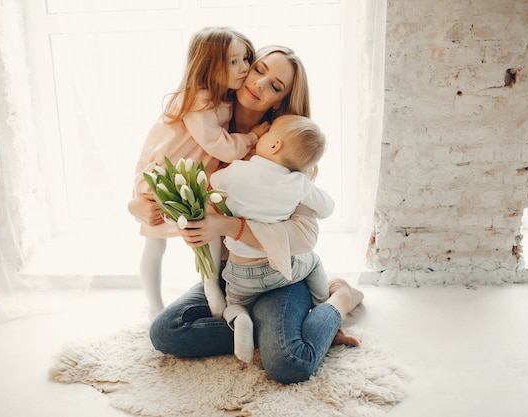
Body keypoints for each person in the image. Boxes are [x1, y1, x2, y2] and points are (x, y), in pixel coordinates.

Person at [128, 45, 364, 384]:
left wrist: (226, 225)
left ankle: (340, 298)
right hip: (232, 275)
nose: (260, 83)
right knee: (167, 333)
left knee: (288, 364)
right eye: (259, 69)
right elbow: (157, 180)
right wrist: (138, 206)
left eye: (276, 86)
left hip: (281, 270)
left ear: (279, 102)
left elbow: (305, 236)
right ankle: (266, 325)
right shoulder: (204, 128)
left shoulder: (288, 147)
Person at [132, 27, 269, 320]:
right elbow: (220, 146)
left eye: (245, 58)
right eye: (233, 62)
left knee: (208, 233)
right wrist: (253, 137)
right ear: (208, 65)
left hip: (194, 182)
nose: (244, 67)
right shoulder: (198, 100)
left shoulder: (225, 99)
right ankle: (155, 305)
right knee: (155, 244)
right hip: (166, 179)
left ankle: (212, 289)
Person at [208, 114, 335, 362]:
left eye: (267, 134)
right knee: (314, 261)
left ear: (274, 144)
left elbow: (213, 182)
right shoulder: (297, 181)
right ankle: (322, 305)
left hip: (240, 270)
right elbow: (327, 208)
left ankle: (239, 318)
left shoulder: (237, 171)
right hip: (278, 269)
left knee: (233, 304)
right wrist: (306, 181)